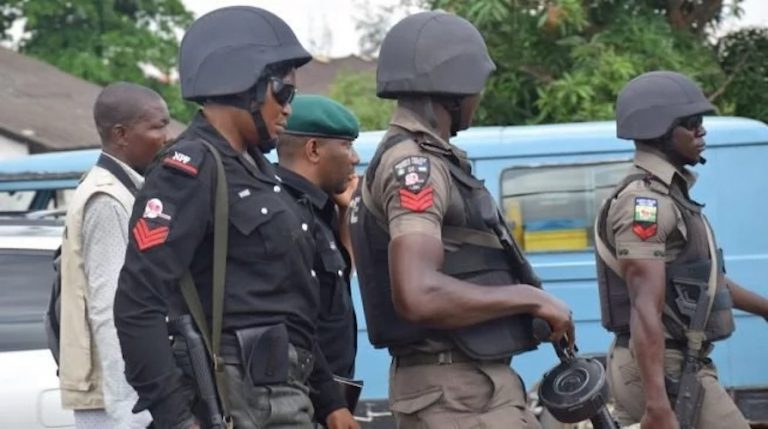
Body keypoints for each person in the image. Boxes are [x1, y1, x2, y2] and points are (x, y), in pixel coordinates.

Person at [114, 7, 351, 429]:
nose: (288, 110)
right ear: (243, 83)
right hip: (230, 402)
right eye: (283, 92)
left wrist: (331, 401)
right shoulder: (190, 168)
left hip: (286, 398)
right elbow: (137, 303)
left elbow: (285, 302)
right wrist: (176, 418)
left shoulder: (260, 173)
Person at [347, 11, 574, 429]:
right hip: (459, 394)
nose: (479, 98)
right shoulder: (415, 166)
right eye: (477, 87)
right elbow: (417, 293)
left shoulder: (424, 159)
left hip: (468, 386)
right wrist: (532, 297)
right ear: (453, 87)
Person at [595, 70, 768, 429]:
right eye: (692, 124)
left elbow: (705, 284)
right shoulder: (645, 203)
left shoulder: (669, 195)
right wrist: (657, 403)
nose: (701, 133)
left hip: (675, 362)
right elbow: (645, 306)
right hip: (661, 368)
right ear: (661, 131)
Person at [59, 82, 169, 428]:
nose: (166, 137)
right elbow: (111, 308)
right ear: (121, 134)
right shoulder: (107, 200)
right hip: (118, 400)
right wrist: (131, 412)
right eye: (156, 126)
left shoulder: (121, 189)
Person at [275, 94, 361, 427]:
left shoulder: (314, 208)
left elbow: (335, 284)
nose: (355, 158)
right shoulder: (282, 212)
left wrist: (345, 212)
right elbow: (294, 320)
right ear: (313, 150)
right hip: (302, 402)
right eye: (346, 146)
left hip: (323, 401)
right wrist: (330, 404)